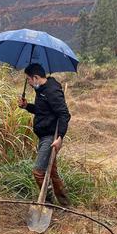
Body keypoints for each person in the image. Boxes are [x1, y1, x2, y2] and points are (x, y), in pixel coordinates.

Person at [18, 63, 71, 206]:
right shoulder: (41, 90)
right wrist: (27, 106)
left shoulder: (51, 91)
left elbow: (64, 114)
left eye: (28, 79)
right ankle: (65, 204)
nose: (28, 83)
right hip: (43, 136)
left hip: (50, 137)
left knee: (38, 172)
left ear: (35, 78)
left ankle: (48, 204)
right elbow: (43, 111)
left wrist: (60, 137)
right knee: (52, 172)